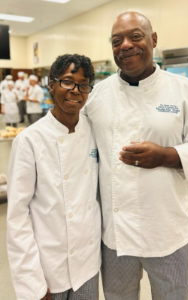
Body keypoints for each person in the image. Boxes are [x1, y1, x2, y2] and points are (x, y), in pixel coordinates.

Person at [84, 12, 188, 300]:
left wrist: (168, 155)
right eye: (116, 40)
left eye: (135, 36)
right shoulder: (97, 96)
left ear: (154, 40)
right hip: (115, 237)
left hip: (168, 233)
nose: (125, 45)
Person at [7, 54, 101, 300]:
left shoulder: (93, 130)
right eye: (67, 82)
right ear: (51, 84)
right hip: (49, 268)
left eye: (83, 85)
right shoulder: (29, 140)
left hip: (88, 264)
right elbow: (17, 216)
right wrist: (33, 285)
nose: (75, 91)